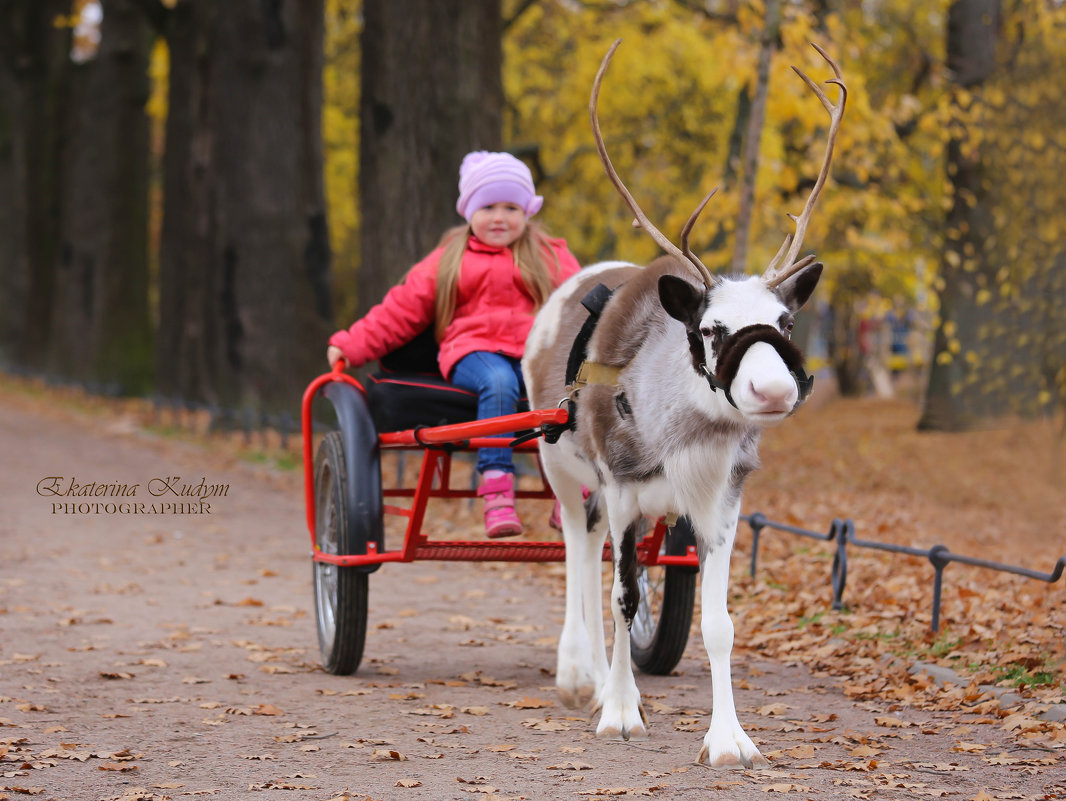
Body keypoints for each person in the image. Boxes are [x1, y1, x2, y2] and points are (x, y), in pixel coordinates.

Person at [327, 151, 581, 538]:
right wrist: (351, 345)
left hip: (533, 356)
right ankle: (496, 486)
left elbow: (582, 300)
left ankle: (572, 495)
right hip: (474, 352)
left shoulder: (549, 255)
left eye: (511, 207)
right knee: (499, 382)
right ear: (468, 211)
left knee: (569, 393)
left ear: (528, 211)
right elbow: (400, 310)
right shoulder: (450, 258)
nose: (499, 217)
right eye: (488, 206)